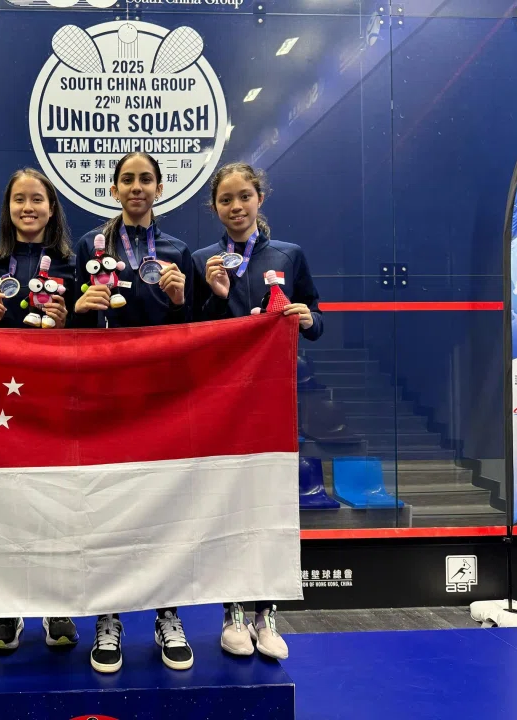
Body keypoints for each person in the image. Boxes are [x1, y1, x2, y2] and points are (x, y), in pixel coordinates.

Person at [193, 162, 323, 661]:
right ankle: (232, 613)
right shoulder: (205, 259)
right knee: (228, 501)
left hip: (274, 397)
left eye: (244, 196)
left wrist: (309, 319)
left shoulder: (288, 255)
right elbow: (193, 329)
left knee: (269, 502)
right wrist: (215, 296)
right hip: (223, 399)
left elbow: (314, 317)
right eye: (225, 200)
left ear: (259, 198)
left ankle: (266, 613)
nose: (236, 207)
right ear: (215, 208)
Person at [71, 152, 195, 674]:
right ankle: (108, 616)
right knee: (107, 505)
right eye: (128, 179)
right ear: (114, 187)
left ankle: (167, 615)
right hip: (104, 396)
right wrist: (81, 309)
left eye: (146, 179)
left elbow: (192, 331)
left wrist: (179, 300)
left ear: (160, 187)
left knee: (162, 505)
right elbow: (75, 331)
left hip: (160, 398)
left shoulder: (178, 250)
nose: (137, 187)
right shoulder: (88, 247)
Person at [0, 168, 79, 652]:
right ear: (9, 208)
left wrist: (68, 321)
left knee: (56, 503)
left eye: (37, 199)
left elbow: (93, 332)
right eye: (19, 199)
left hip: (57, 398)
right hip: (3, 402)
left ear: (51, 207)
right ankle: (8, 611)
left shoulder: (73, 263)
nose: (28, 208)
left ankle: (57, 604)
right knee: (6, 505)